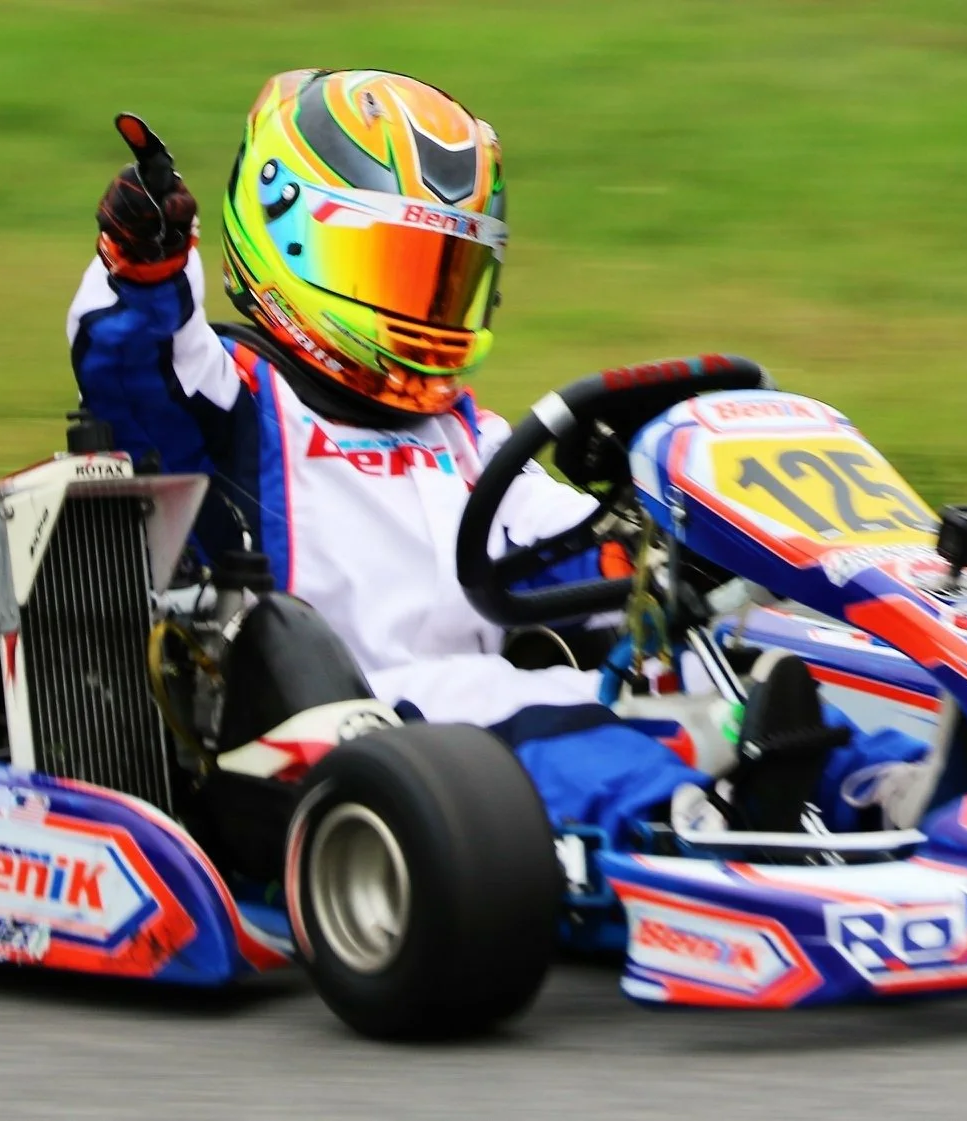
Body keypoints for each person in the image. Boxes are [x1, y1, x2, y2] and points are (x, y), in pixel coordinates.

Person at [67, 69, 920, 845]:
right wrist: (144, 268)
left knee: (710, 684)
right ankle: (686, 826)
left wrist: (671, 550)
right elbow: (133, 367)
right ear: (292, 237)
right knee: (564, 742)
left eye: (446, 275)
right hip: (346, 726)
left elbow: (558, 544)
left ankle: (890, 782)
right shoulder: (235, 404)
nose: (423, 307)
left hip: (481, 702)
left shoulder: (462, 436)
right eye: (395, 267)